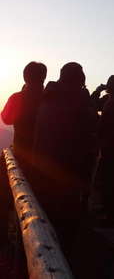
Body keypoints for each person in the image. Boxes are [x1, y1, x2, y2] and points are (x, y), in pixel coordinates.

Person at [32, 62, 98, 256]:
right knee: (66, 227)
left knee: (47, 220)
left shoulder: (49, 96)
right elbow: (88, 132)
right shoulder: (76, 102)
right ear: (79, 81)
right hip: (67, 173)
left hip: (43, 169)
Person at [1, 61, 47, 175]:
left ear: (25, 77)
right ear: (43, 77)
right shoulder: (50, 98)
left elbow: (6, 119)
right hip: (47, 157)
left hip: (22, 154)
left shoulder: (17, 98)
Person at [95, 76, 114, 223]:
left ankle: (110, 215)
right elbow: (93, 104)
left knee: (107, 180)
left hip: (109, 147)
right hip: (106, 146)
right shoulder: (108, 100)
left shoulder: (110, 102)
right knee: (104, 179)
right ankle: (107, 208)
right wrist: (97, 91)